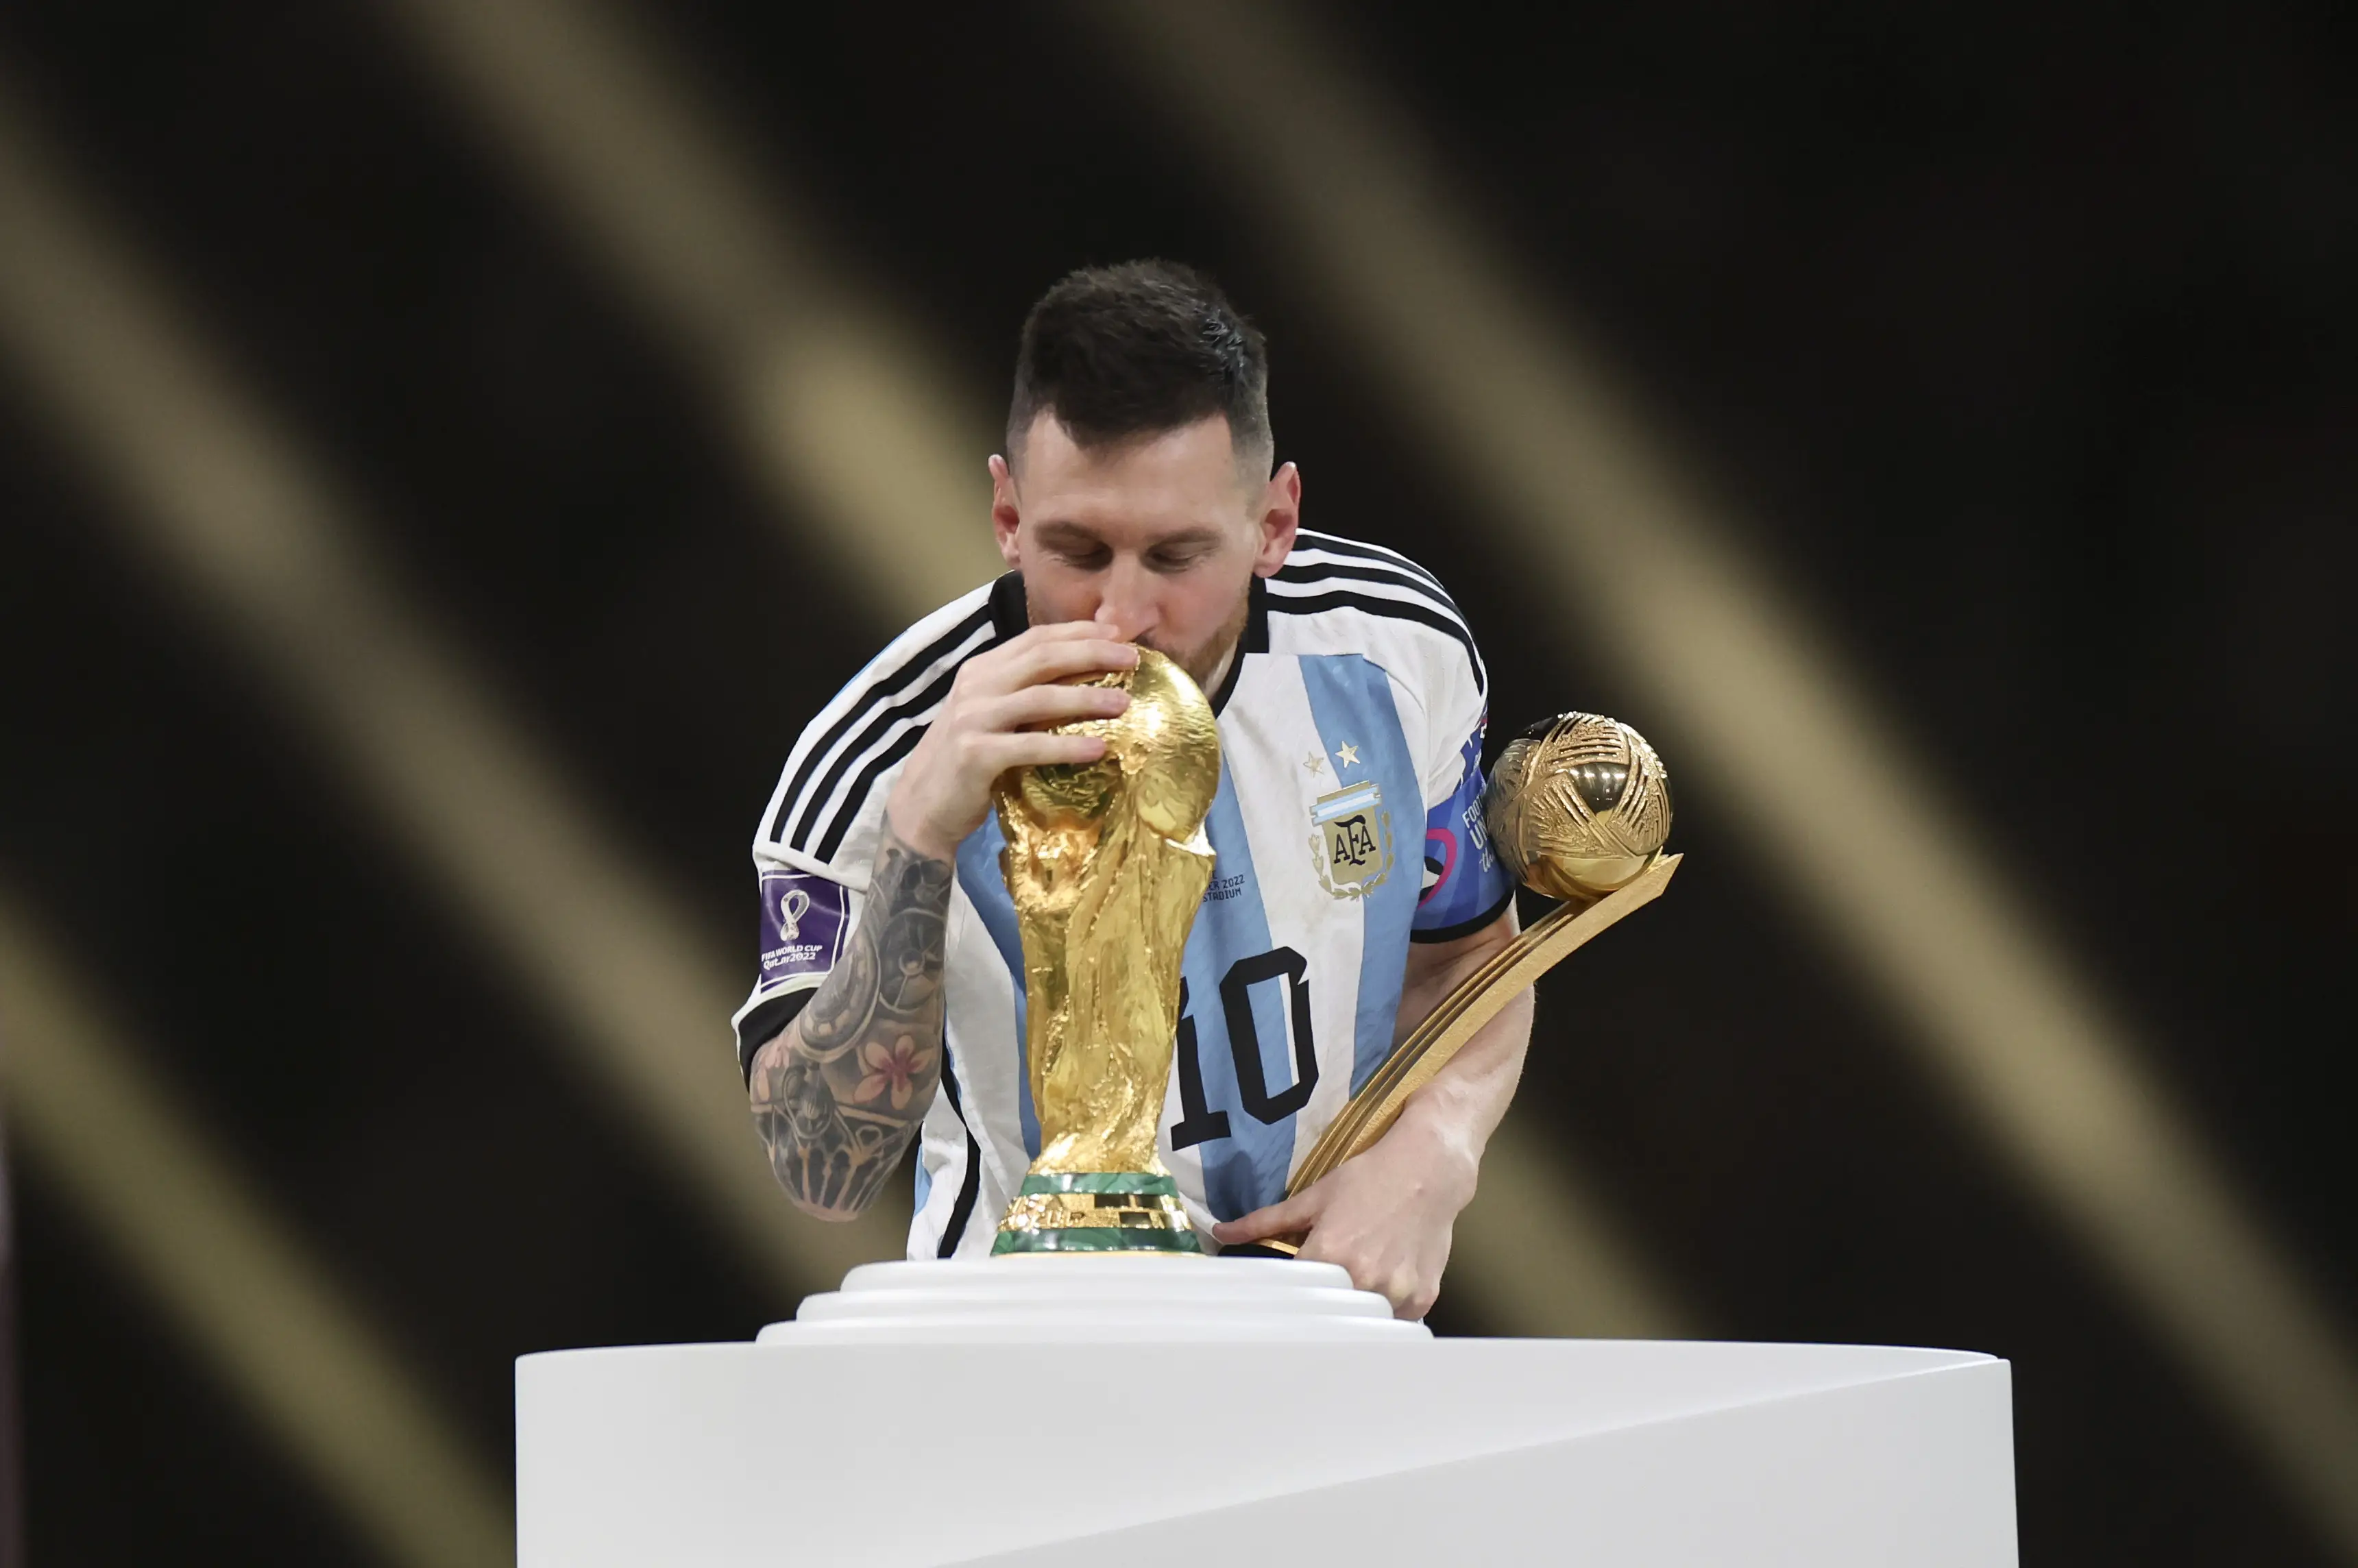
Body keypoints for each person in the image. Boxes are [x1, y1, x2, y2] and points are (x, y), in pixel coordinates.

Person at [733, 260, 1529, 1319]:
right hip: (1015, 1358)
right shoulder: (875, 760)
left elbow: (1473, 957)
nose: (1123, 614)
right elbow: (820, 1169)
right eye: (1077, 549)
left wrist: (1438, 1145)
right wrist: (921, 835)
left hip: (1330, 1329)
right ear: (1008, 517)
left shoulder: (1395, 651)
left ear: (1275, 524)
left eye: (1175, 554)